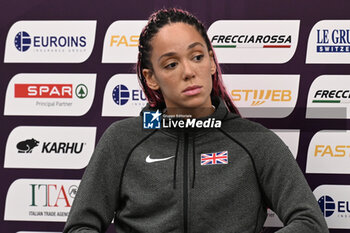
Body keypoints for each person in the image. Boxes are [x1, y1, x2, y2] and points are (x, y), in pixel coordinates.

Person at [63, 8, 329, 233]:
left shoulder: (254, 140)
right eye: (171, 64)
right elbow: (80, 227)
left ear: (211, 63)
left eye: (197, 57)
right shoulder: (122, 139)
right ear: (151, 77)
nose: (189, 72)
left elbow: (310, 222)